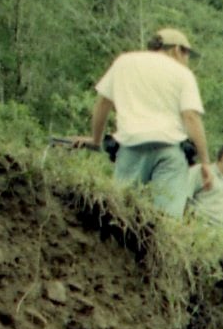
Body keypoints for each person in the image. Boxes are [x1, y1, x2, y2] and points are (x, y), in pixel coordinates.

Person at [79, 29, 212, 217]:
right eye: (186, 53)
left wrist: (95, 139)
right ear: (176, 49)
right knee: (167, 220)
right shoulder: (183, 74)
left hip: (131, 146)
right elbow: (191, 117)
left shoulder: (124, 62)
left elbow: (103, 103)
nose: (187, 59)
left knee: (120, 213)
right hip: (169, 150)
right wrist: (205, 163)